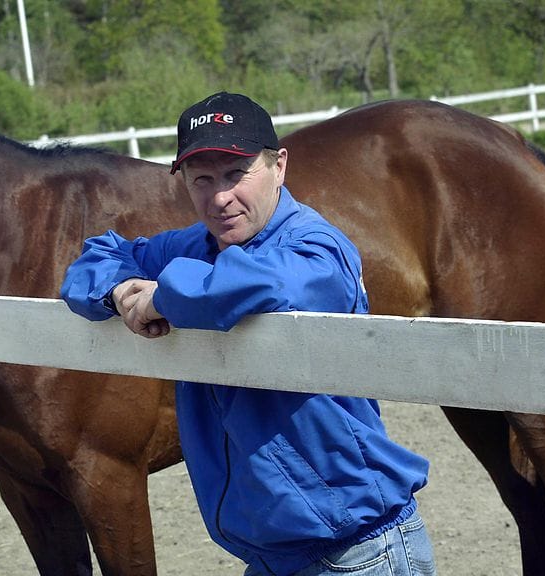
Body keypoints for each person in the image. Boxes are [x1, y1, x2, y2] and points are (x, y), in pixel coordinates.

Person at [60, 92, 436, 576]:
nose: (220, 198)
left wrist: (162, 297)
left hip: (357, 552)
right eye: (203, 179)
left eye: (237, 174)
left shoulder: (317, 246)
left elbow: (271, 281)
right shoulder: (193, 247)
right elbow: (94, 257)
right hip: (269, 557)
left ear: (279, 166)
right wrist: (117, 292)